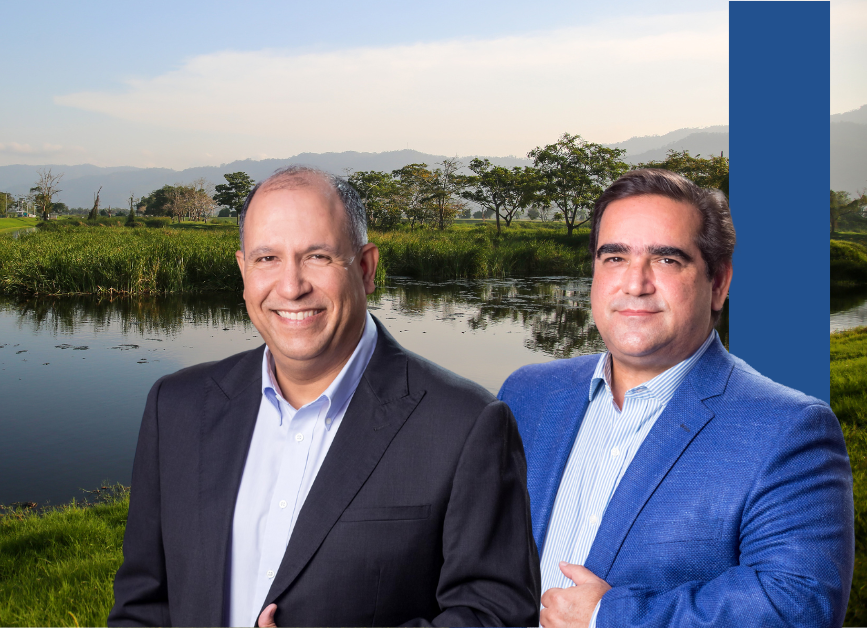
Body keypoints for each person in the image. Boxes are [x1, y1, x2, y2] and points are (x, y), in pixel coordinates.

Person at [108, 165, 540, 627]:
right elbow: (142, 603)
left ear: (366, 268)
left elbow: (496, 615)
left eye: (317, 256)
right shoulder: (176, 407)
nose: (291, 287)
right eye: (267, 258)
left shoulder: (464, 424)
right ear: (243, 270)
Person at [498, 169, 854, 628]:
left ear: (719, 283)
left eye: (666, 260)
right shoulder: (527, 395)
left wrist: (609, 617)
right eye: (615, 257)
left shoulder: (790, 430)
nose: (635, 283)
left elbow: (800, 605)